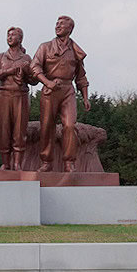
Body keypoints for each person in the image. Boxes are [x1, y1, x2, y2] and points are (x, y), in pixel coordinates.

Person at [30, 16, 91, 173]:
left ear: (69, 29)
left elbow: (81, 76)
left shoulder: (76, 51)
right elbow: (35, 67)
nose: (57, 26)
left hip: (68, 91)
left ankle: (69, 162)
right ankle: (46, 162)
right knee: (47, 127)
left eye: (61, 25)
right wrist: (47, 82)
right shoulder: (45, 47)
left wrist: (85, 97)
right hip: (50, 90)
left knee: (70, 126)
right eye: (56, 24)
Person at [0, 27, 37, 171]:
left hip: (21, 95)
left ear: (20, 38)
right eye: (8, 35)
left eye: (13, 35)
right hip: (4, 95)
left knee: (19, 131)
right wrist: (8, 71)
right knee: (4, 130)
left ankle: (17, 163)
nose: (9, 37)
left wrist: (27, 72)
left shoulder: (27, 58)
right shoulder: (0, 56)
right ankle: (5, 162)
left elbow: (34, 80)